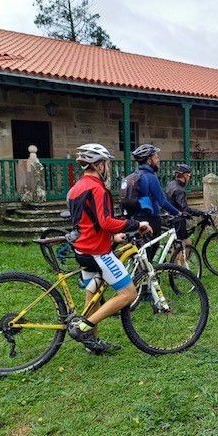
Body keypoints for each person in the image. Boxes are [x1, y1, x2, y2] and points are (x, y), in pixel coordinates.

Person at [66, 143, 152, 355]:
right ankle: (83, 328)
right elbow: (105, 221)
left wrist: (113, 235)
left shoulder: (76, 187)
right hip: (97, 251)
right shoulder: (97, 188)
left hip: (82, 249)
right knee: (128, 293)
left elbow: (88, 222)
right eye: (106, 164)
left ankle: (92, 343)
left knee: (92, 295)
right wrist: (136, 224)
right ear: (98, 165)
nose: (108, 168)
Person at [120, 143, 180, 259]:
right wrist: (178, 213)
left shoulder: (135, 175)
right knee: (150, 251)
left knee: (140, 252)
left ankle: (138, 273)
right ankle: (145, 275)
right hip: (150, 220)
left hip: (135, 219)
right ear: (149, 160)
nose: (158, 160)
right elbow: (162, 201)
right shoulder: (150, 177)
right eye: (156, 157)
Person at [165, 163, 205, 246]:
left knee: (175, 243)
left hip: (170, 217)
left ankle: (176, 258)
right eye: (189, 174)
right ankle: (181, 259)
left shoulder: (171, 184)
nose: (189, 177)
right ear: (185, 175)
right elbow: (184, 208)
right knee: (186, 243)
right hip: (178, 220)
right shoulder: (179, 190)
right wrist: (200, 213)